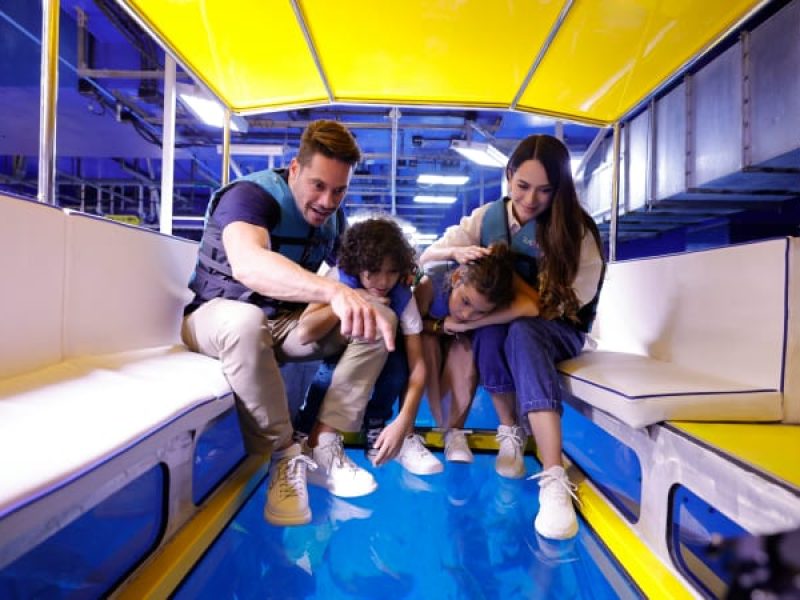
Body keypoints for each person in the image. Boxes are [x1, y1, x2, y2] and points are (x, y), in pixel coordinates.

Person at [181, 120, 397, 527]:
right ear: (295, 169)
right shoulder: (250, 197)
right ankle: (284, 456)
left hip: (281, 324)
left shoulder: (334, 220)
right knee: (245, 321)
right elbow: (248, 265)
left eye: (339, 190)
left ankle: (323, 443)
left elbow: (358, 272)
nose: (327, 200)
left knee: (375, 319)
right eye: (318, 185)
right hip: (216, 317)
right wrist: (333, 292)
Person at [419, 134, 605, 540]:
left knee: (522, 332)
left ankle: (553, 476)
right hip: (506, 321)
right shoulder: (486, 218)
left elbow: (554, 307)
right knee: (491, 333)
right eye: (522, 185)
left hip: (560, 327)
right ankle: (509, 433)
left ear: (559, 189)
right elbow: (428, 255)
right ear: (508, 175)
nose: (530, 199)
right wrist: (456, 253)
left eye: (544, 190)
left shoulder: (577, 232)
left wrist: (470, 321)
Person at [293, 217, 443, 476]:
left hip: (380, 351)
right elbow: (305, 333)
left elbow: (418, 365)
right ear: (356, 266)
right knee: (331, 369)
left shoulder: (401, 297)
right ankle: (306, 428)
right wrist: (355, 297)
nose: (383, 281)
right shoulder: (338, 278)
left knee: (398, 366)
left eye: (391, 272)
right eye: (372, 271)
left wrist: (405, 420)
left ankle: (376, 425)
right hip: (338, 345)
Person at [414, 242, 519, 464]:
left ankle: (454, 431)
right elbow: (413, 326)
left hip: (459, 339)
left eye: (479, 312)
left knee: (465, 352)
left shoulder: (476, 312)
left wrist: (466, 326)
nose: (466, 314)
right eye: (465, 301)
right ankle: (411, 431)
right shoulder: (429, 285)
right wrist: (441, 326)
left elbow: (528, 309)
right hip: (429, 334)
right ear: (456, 279)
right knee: (425, 344)